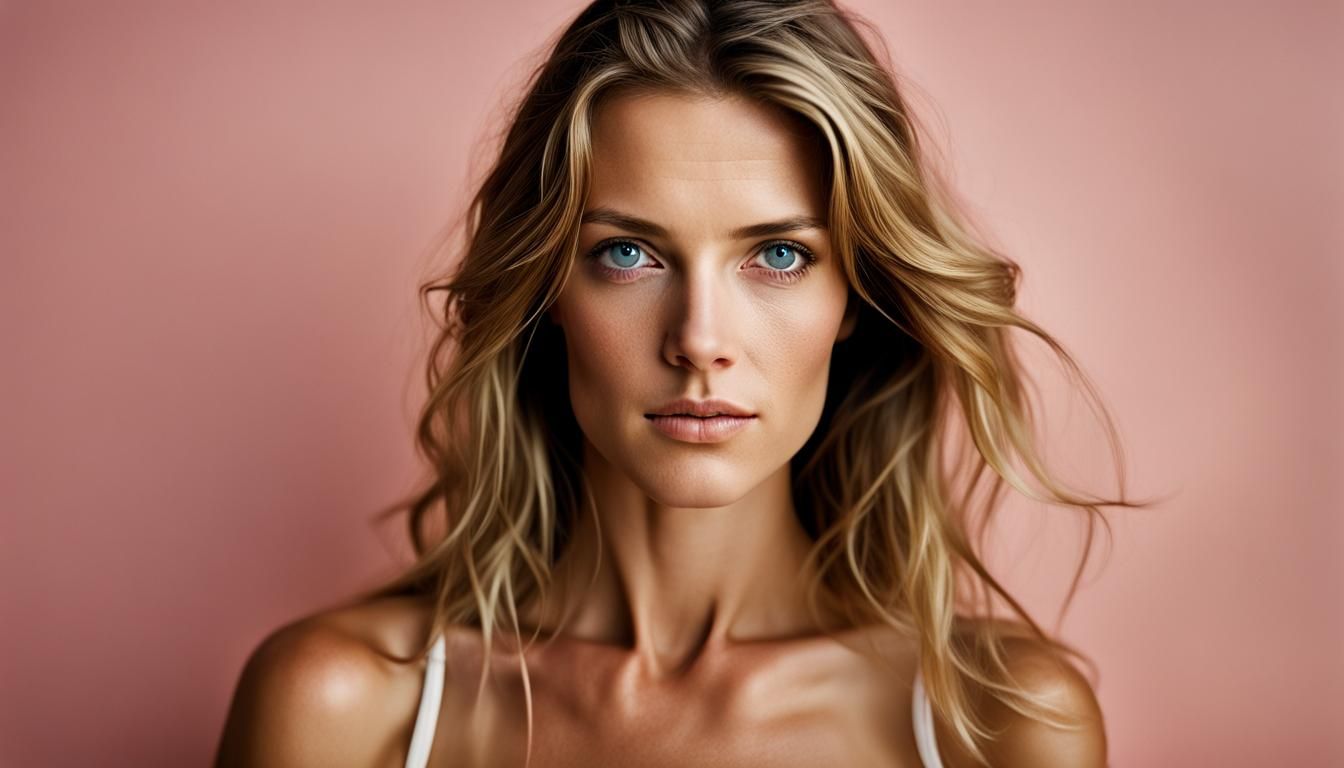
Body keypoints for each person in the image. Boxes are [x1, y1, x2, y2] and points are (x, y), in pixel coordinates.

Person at [216, 1, 1144, 765]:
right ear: (547, 290)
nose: (700, 341)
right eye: (628, 253)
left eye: (778, 254)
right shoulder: (342, 711)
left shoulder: (999, 725)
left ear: (856, 294)